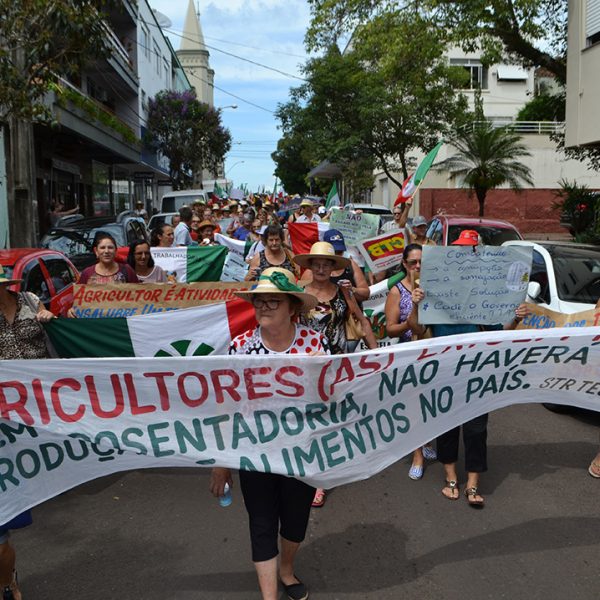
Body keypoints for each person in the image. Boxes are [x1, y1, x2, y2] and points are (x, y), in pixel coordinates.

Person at [210, 267, 326, 600]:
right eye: (259, 301)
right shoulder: (241, 348)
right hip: (254, 453)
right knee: (261, 524)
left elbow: (334, 395)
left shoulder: (315, 343)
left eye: (272, 302)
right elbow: (226, 406)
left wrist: (323, 373)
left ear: (292, 307)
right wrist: (221, 462)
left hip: (301, 452)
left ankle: (286, 570)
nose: (262, 307)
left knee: (294, 521)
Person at [411, 231, 529, 507]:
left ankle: (473, 484)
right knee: (448, 425)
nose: (467, 256)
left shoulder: (490, 290)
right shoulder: (435, 285)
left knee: (477, 428)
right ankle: (450, 477)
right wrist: (416, 305)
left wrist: (516, 317)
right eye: (462, 251)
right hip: (445, 368)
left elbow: (501, 334)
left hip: (478, 370)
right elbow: (417, 329)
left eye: (472, 251)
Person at [294, 242, 377, 507]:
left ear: (333, 267)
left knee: (331, 418)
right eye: (316, 263)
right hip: (306, 368)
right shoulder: (298, 293)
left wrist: (379, 356)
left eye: (326, 263)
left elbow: (362, 321)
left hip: (338, 366)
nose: (320, 268)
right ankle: (313, 473)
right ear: (309, 266)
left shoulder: (343, 292)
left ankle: (323, 473)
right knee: (311, 420)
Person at [0, 264, 55, 600]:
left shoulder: (31, 300)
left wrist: (48, 315)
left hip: (42, 396)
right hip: (6, 404)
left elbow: (55, 320)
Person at [383, 243, 437, 479]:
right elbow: (390, 329)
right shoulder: (398, 291)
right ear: (404, 264)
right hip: (410, 353)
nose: (418, 266)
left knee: (430, 403)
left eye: (422, 261)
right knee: (414, 405)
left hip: (435, 353)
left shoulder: (437, 287)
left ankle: (426, 441)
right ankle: (417, 455)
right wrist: (411, 320)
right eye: (413, 262)